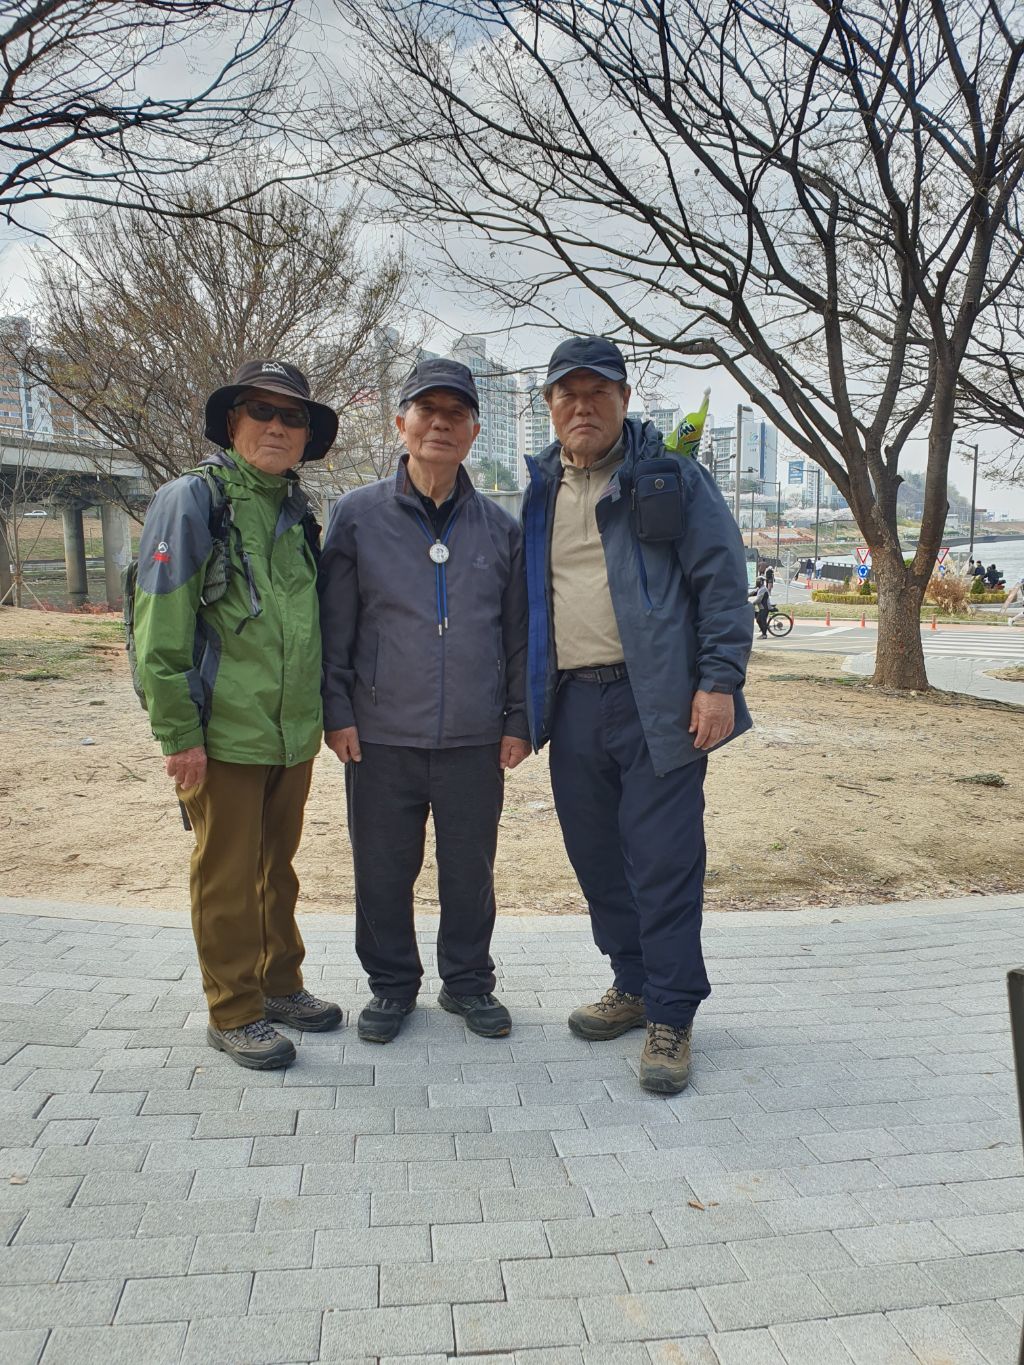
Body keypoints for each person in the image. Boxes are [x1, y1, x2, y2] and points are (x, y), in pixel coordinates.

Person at [521, 336, 752, 1094]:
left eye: (598, 392)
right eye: (568, 394)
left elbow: (722, 582)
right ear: (549, 406)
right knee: (596, 857)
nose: (582, 406)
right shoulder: (540, 490)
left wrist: (718, 682)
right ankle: (633, 982)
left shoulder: (671, 477)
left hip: (659, 703)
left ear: (624, 399)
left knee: (663, 860)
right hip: (572, 702)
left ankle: (673, 1013)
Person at [132, 360, 342, 1070]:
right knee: (225, 875)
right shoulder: (192, 500)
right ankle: (233, 1010)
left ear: (307, 434)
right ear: (232, 422)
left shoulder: (297, 512)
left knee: (276, 868)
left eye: (293, 416)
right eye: (261, 411)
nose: (277, 426)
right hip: (221, 734)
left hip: (290, 733)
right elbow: (158, 629)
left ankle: (279, 985)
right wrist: (178, 734)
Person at [319, 358, 530, 1045]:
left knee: (470, 870)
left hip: (475, 735)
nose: (441, 423)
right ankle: (391, 985)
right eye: (426, 410)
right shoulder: (356, 516)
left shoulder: (501, 528)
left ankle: (467, 982)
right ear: (400, 422)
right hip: (380, 736)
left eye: (456, 413)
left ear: (474, 431)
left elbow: (519, 635)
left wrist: (519, 718)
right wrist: (338, 711)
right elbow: (335, 626)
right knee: (382, 870)